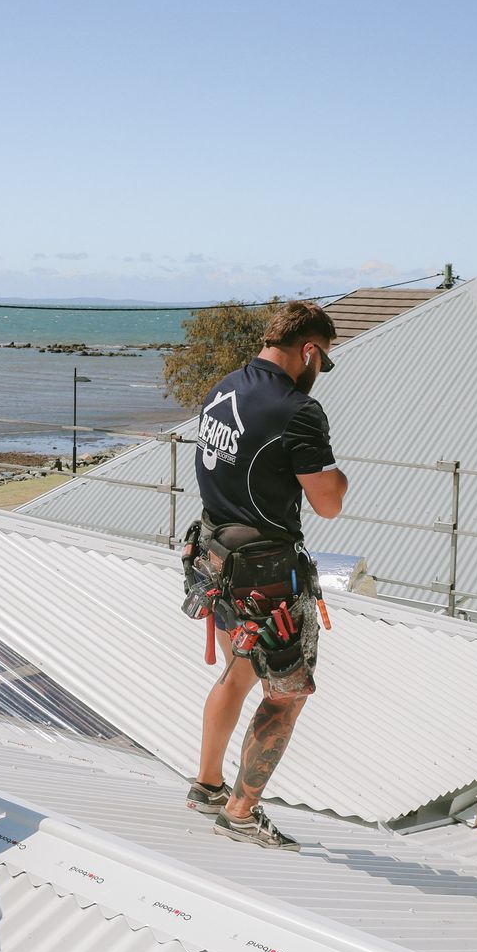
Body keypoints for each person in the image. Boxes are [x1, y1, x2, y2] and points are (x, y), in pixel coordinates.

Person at [181, 300, 348, 851]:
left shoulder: (223, 388)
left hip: (215, 559)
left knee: (237, 672)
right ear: (308, 350)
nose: (318, 374)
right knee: (288, 694)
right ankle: (241, 812)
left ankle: (206, 785)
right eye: (321, 363)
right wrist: (339, 475)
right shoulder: (297, 410)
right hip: (266, 577)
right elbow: (328, 504)